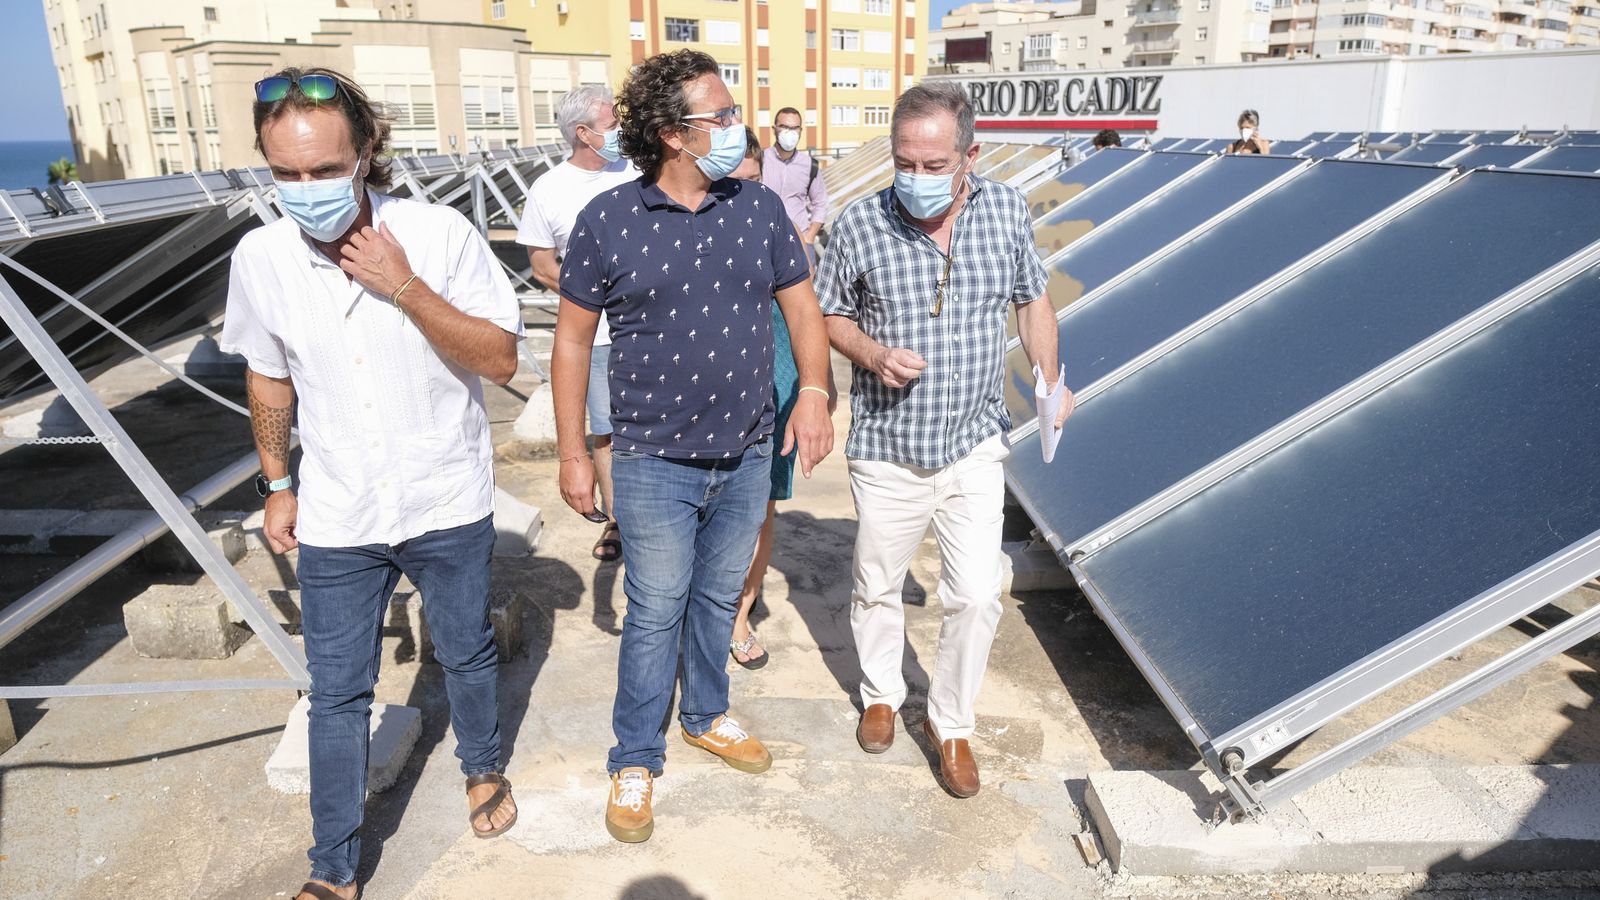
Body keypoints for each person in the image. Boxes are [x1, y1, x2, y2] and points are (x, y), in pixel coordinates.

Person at [220, 67, 522, 900]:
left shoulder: (437, 235)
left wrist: (403, 287)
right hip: (338, 508)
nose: (306, 190)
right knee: (337, 693)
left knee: (464, 651)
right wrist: (276, 482)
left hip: (444, 494)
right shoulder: (261, 258)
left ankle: (483, 767)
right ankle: (334, 868)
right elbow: (267, 376)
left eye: (325, 170)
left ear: (365, 155)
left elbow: (500, 358)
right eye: (286, 173)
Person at [550, 49, 834, 844]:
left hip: (745, 454)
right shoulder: (608, 219)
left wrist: (811, 390)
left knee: (717, 600)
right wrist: (575, 452)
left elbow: (805, 311)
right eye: (720, 114)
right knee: (655, 611)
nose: (735, 125)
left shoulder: (758, 210)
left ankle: (707, 714)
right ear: (674, 133)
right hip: (650, 459)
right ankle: (634, 755)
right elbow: (572, 344)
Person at [816, 82, 1075, 800]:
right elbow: (829, 313)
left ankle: (951, 723)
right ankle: (878, 692)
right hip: (887, 444)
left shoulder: (1006, 213)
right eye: (905, 161)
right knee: (876, 584)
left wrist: (1054, 380)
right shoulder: (859, 223)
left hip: (973, 442)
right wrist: (871, 354)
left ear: (971, 155)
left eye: (935, 165)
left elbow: (1033, 300)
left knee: (975, 593)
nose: (917, 178)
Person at [515, 84, 639, 563]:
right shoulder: (550, 189)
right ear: (583, 133)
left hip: (654, 326)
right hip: (601, 335)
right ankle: (618, 521)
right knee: (607, 431)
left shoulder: (638, 171)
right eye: (612, 125)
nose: (620, 132)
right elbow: (543, 263)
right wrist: (594, 296)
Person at [727, 128, 835, 671]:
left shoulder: (770, 217)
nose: (746, 192)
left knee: (760, 503)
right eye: (735, 180)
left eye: (754, 180)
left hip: (773, 365)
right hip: (703, 383)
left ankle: (740, 613)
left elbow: (804, 297)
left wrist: (815, 386)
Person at [761, 106, 830, 268]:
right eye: (784, 127)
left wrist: (809, 237)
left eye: (794, 128)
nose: (789, 132)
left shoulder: (809, 165)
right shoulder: (760, 160)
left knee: (804, 290)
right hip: (764, 242)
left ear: (801, 130)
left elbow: (821, 202)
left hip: (800, 243)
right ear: (774, 129)